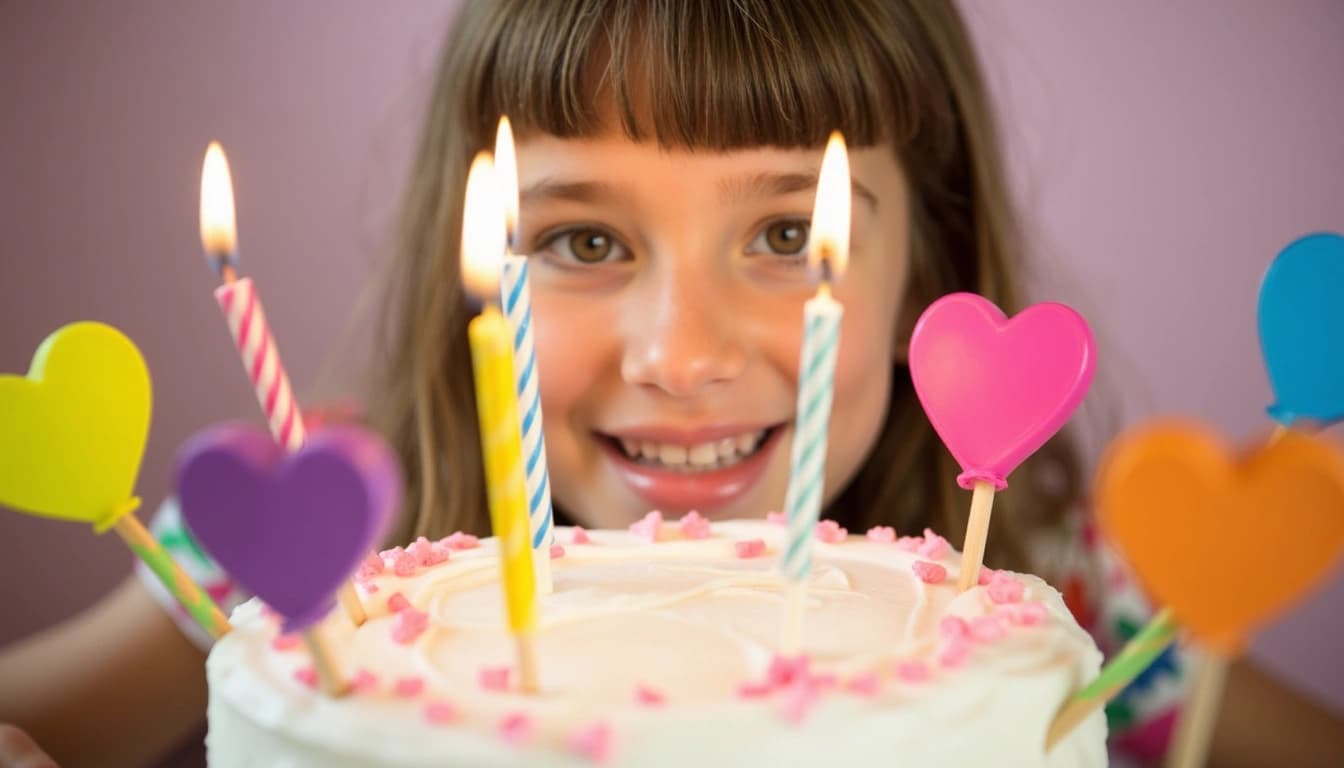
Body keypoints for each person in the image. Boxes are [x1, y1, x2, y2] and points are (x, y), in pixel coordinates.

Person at [3, 2, 1342, 766]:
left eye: (782, 237)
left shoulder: (1072, 603)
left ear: (923, 265)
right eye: (583, 241)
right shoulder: (307, 551)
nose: (683, 353)